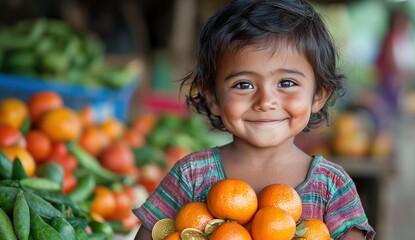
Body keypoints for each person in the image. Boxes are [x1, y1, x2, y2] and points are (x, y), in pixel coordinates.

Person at [133, 0, 376, 239]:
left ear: (318, 95)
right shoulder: (191, 175)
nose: (265, 101)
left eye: (286, 83)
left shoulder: (331, 185)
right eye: (243, 84)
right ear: (213, 97)